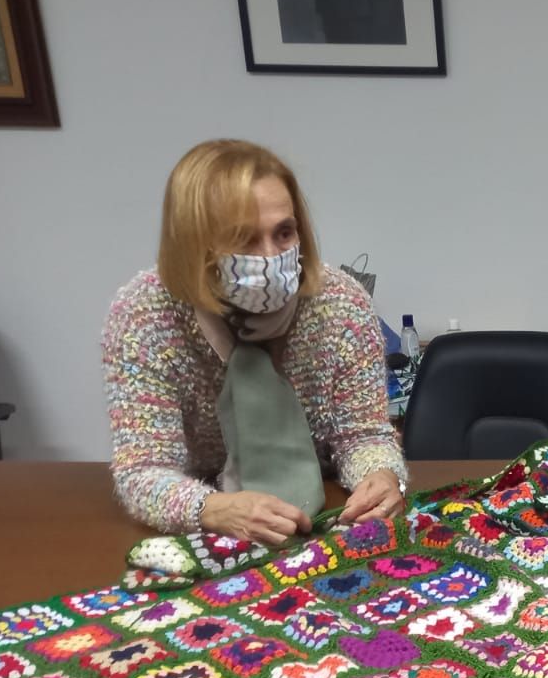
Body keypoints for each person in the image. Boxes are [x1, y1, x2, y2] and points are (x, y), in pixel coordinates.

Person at [103, 139, 407, 545]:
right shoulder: (144, 315)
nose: (269, 257)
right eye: (243, 239)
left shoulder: (341, 305)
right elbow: (142, 471)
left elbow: (364, 435)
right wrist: (210, 509)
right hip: (210, 517)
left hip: (324, 511)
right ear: (194, 243)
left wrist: (382, 476)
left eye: (284, 233)